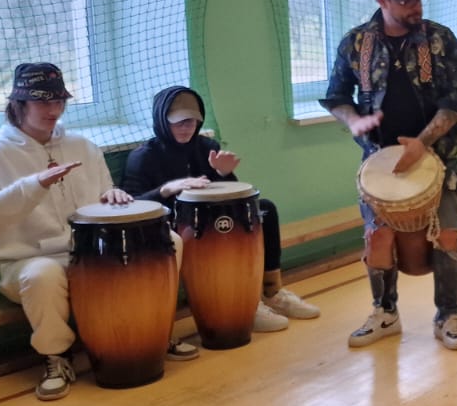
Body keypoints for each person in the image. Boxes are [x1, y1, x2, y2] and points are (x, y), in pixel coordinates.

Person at [0, 63, 198, 401]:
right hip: (26, 260)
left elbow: (102, 193)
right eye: (43, 102)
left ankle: (153, 333)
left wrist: (111, 196)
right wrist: (32, 186)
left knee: (168, 241)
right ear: (19, 104)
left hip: (88, 254)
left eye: (59, 101)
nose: (54, 110)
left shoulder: (82, 146)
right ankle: (56, 356)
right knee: (42, 274)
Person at [322, 0, 457, 350]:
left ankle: (448, 315)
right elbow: (337, 95)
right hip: (380, 162)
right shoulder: (356, 43)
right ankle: (385, 312)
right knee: (377, 239)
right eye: (405, 2)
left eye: (418, 0)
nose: (415, 7)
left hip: (439, 157)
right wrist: (353, 119)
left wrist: (422, 142)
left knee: (447, 236)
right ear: (381, 1)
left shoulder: (440, 39)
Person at [122, 86, 320, 333]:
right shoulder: (143, 157)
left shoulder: (206, 147)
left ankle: (272, 292)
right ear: (162, 120)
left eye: (192, 121)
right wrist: (168, 189)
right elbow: (132, 204)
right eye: (179, 122)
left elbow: (231, 197)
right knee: (222, 235)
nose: (186, 127)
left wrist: (223, 173)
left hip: (212, 218)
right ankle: (242, 304)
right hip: (173, 226)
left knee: (264, 210)